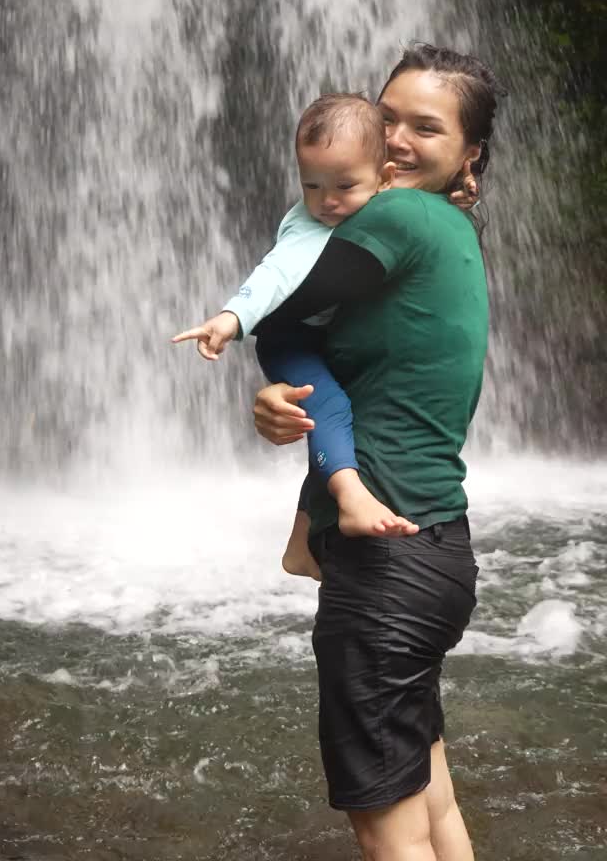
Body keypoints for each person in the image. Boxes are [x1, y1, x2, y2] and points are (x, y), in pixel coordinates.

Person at [252, 44, 502, 861]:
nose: (393, 138)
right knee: (433, 804)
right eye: (386, 117)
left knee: (387, 831)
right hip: (435, 552)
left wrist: (267, 362)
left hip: (385, 561)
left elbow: (280, 317)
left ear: (469, 154)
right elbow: (358, 378)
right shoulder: (449, 231)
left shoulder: (393, 218)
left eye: (424, 127)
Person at [172, 92, 426, 569]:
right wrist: (231, 318)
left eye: (343, 186)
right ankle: (350, 498)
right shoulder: (306, 225)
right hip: (291, 339)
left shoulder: (394, 209)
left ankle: (300, 545)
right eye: (311, 186)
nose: (326, 201)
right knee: (330, 405)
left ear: (385, 179)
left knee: (342, 414)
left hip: (324, 333)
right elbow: (276, 272)